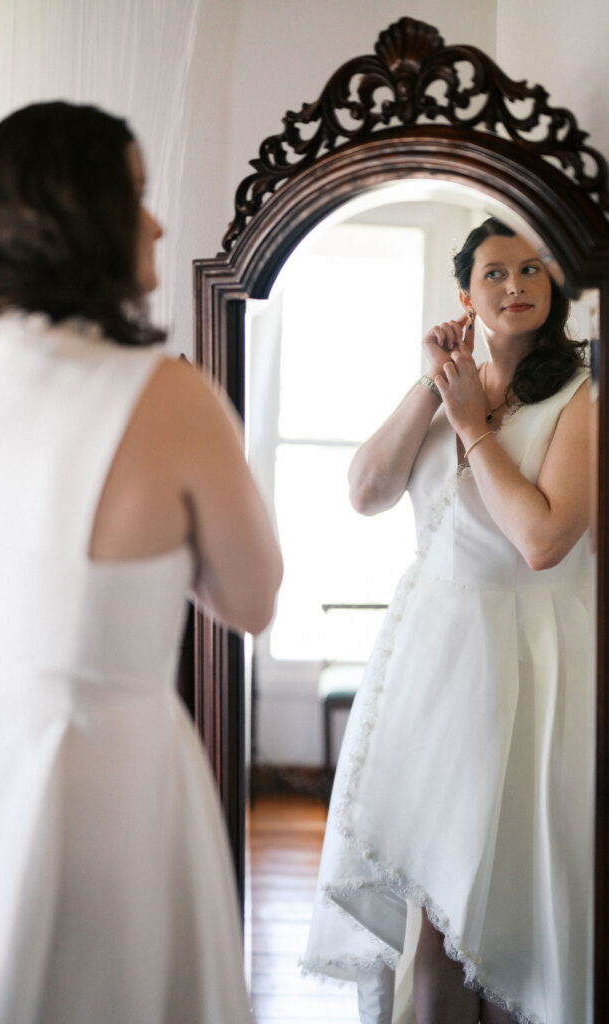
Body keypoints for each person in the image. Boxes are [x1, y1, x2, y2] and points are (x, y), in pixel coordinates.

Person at [0, 101, 283, 1024]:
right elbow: (249, 600)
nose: (156, 221)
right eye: (136, 194)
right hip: (105, 795)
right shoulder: (169, 397)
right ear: (79, 213)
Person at [302, 218, 593, 1024]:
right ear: (465, 296)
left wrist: (472, 425)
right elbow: (366, 490)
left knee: (504, 908)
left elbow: (541, 539)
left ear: (555, 289)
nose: (515, 285)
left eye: (532, 270)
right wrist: (434, 384)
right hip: (431, 675)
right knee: (428, 912)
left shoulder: (581, 401)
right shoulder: (446, 391)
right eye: (494, 273)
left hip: (530, 666)